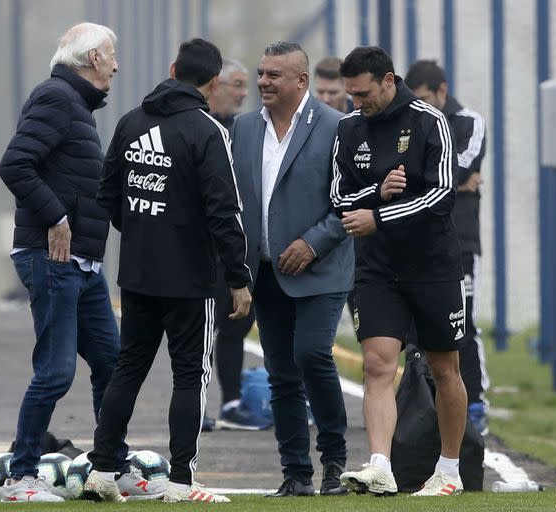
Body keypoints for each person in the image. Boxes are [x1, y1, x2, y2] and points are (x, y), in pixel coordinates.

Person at [83, 38, 252, 504]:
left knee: (128, 369)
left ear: (172, 67)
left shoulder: (131, 121)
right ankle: (181, 481)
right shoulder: (208, 131)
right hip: (191, 279)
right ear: (213, 81)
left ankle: (101, 472)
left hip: (137, 273)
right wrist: (237, 278)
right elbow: (225, 212)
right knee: (190, 375)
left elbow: (108, 192)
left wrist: (142, 230)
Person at [0, 22, 127, 503]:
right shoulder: (56, 98)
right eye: (111, 55)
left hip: (84, 262)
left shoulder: (76, 106)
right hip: (52, 257)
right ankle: (21, 477)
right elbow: (15, 164)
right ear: (93, 59)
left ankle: (110, 467)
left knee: (112, 365)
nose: (116, 64)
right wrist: (55, 217)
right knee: (55, 372)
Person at [331, 46, 467, 497]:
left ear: (389, 80)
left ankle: (448, 470)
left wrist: (380, 215)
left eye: (363, 93)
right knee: (376, 364)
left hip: (433, 267)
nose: (356, 102)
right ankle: (381, 466)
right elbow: (339, 198)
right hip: (376, 268)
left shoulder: (431, 122)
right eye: (351, 94)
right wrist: (377, 192)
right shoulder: (349, 129)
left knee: (444, 367)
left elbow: (442, 196)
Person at [231, 41, 353, 497]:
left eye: (272, 75)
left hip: (320, 270)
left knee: (313, 354)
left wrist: (313, 242)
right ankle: (296, 473)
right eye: (261, 73)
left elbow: (351, 203)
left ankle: (335, 463)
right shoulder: (242, 129)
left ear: (301, 81)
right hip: (265, 272)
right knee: (280, 373)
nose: (262, 82)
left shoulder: (337, 127)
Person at [404, 59, 489, 435]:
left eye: (426, 99)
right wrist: (449, 177)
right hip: (417, 240)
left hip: (461, 241)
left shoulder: (468, 120)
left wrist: (430, 174)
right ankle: (421, 403)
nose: (421, 106)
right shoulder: (410, 119)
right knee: (414, 328)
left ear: (442, 91)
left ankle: (476, 404)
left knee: (463, 323)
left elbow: (459, 164)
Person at [201, 57, 260, 431]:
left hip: (239, 247)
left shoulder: (243, 130)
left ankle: (233, 401)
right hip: (204, 251)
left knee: (237, 324)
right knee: (202, 332)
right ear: (214, 85)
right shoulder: (198, 128)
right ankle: (198, 405)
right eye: (236, 85)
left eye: (244, 86)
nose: (243, 93)